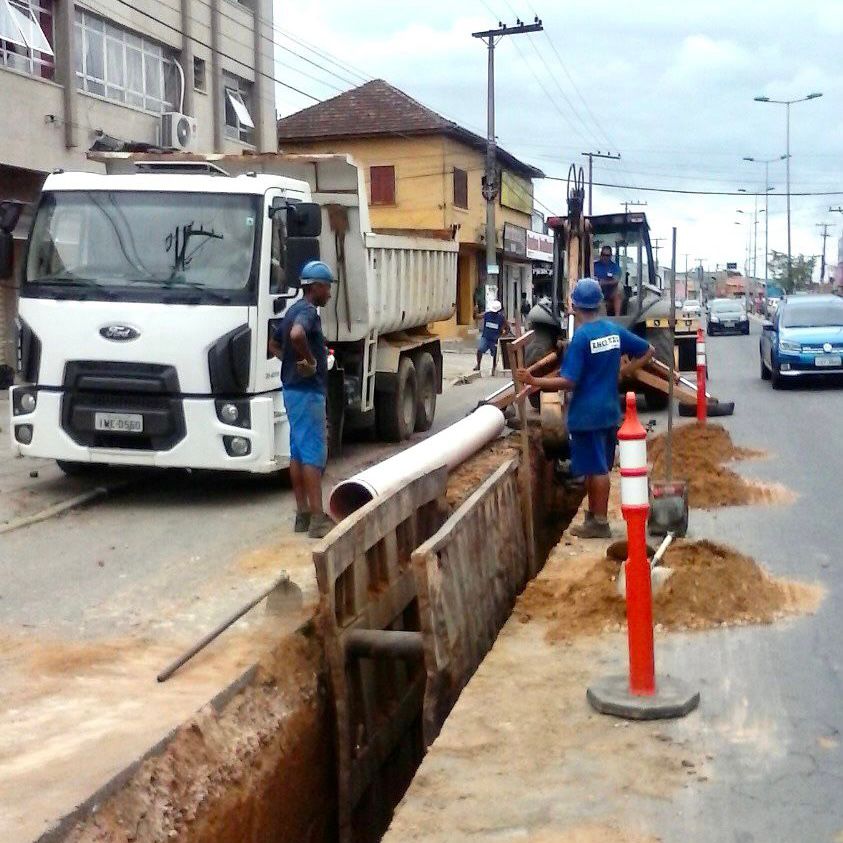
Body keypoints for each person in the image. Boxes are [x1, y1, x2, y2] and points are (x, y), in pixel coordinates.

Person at [516, 277, 654, 539]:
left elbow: (569, 381)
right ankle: (593, 515)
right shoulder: (613, 331)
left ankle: (599, 522)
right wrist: (626, 371)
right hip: (610, 412)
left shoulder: (581, 338)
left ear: (573, 306)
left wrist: (536, 381)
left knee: (598, 469)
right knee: (597, 465)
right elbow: (649, 350)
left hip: (586, 416)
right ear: (600, 303)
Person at [268, 260, 337, 539]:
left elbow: (273, 343)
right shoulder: (308, 312)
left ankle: (302, 515)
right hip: (308, 393)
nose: (329, 294)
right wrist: (308, 360)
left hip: (291, 391)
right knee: (312, 453)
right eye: (328, 288)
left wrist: (291, 362)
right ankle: (318, 520)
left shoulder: (291, 310)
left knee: (297, 452)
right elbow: (297, 335)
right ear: (317, 287)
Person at [474, 299, 509, 376]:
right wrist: (475, 311)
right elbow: (476, 317)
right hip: (486, 337)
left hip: (495, 340)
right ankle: (478, 365)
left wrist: (503, 335)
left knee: (495, 355)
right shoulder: (487, 314)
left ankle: (493, 369)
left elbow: (507, 328)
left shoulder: (501, 318)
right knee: (480, 350)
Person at [593, 245, 623, 317]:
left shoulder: (615, 267)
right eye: (603, 255)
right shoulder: (594, 266)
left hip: (610, 293)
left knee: (618, 291)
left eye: (607, 255)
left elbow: (616, 280)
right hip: (597, 292)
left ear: (611, 256)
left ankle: (617, 317)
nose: (605, 257)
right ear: (600, 255)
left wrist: (603, 282)